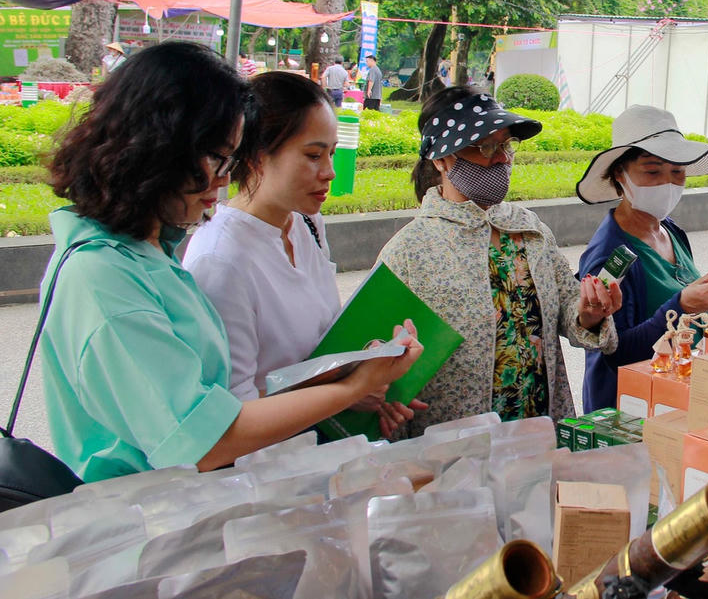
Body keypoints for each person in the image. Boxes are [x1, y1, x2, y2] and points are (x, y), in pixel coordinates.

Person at [39, 42, 422, 482]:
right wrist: (354, 385)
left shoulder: (149, 250)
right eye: (218, 157)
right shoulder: (103, 279)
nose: (225, 178)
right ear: (159, 147)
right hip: (146, 523)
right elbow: (207, 440)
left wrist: (354, 382)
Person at [183, 72, 424, 440]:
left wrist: (367, 374)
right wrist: (351, 389)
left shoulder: (306, 222)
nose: (329, 172)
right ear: (257, 156)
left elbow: (319, 350)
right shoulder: (220, 260)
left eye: (331, 153)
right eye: (312, 155)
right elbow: (232, 414)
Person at [376, 86, 620, 434]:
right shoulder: (410, 250)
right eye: (486, 147)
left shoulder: (528, 228)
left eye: (506, 145)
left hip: (537, 429)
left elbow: (567, 303)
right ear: (442, 159)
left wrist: (588, 314)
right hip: (458, 447)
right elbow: (371, 351)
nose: (503, 159)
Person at [574, 106, 708, 411]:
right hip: (630, 413)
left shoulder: (671, 230)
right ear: (620, 174)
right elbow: (615, 352)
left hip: (674, 396)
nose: (668, 183)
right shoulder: (609, 256)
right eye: (652, 171)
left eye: (677, 171)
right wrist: (682, 305)